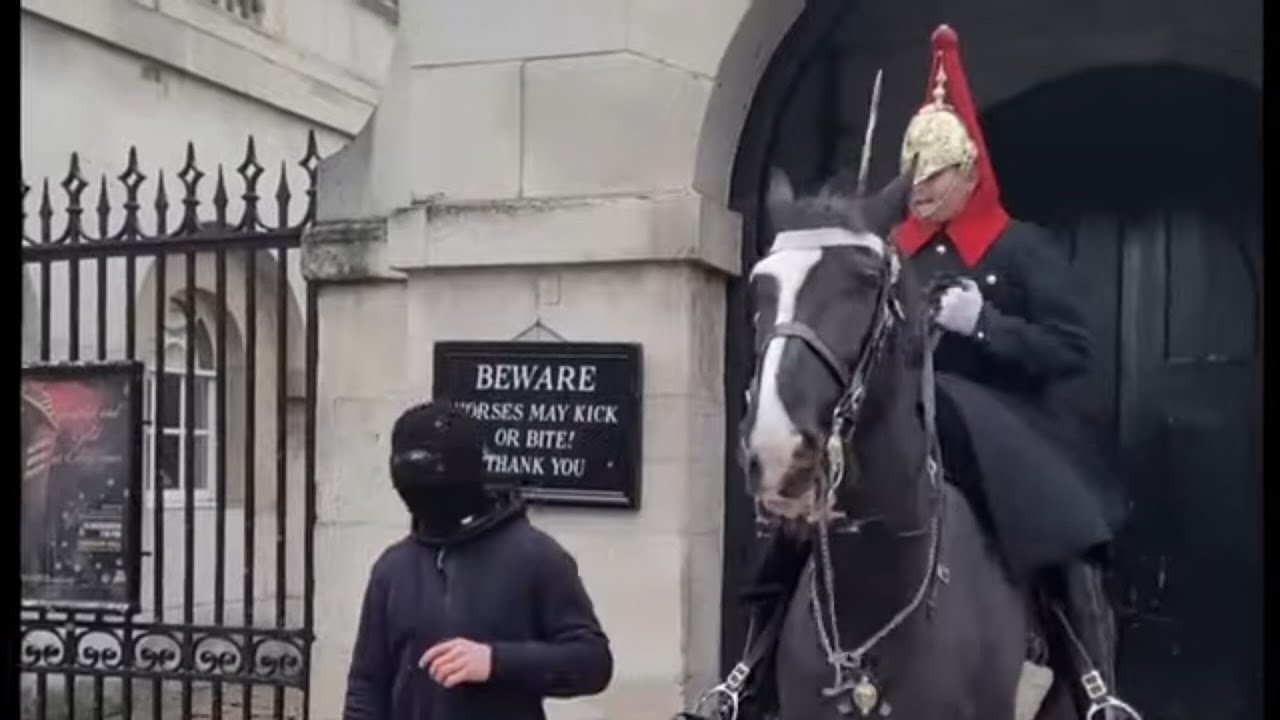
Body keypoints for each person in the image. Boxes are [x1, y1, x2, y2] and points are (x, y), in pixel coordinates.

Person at [738, 24, 1136, 719]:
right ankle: (749, 665)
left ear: (970, 172)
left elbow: (1073, 350)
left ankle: (1094, 682)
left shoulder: (1024, 250)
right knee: (799, 514)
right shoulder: (886, 254)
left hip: (1004, 416)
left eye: (936, 173)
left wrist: (983, 324)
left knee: (1061, 525)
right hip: (904, 409)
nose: (919, 187)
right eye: (912, 172)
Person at [343, 400, 613, 720]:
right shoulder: (393, 568)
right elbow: (367, 685)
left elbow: (593, 662)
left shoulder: (534, 556)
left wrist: (495, 661)